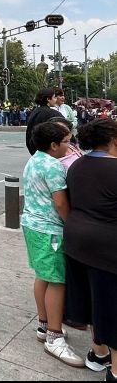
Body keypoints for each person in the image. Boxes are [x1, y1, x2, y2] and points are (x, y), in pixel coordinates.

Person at [21, 122, 84, 367]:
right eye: (67, 141)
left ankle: (44, 324)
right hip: (50, 230)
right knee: (57, 281)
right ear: (54, 145)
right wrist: (71, 224)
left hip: (32, 225)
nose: (70, 146)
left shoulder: (35, 159)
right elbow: (61, 203)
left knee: (43, 276)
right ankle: (54, 336)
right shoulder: (53, 167)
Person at [64, 119, 117, 377]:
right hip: (107, 248)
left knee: (95, 301)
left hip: (76, 242)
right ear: (113, 140)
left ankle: (99, 351)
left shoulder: (77, 165)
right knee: (112, 305)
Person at [26, 88, 66, 155]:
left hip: (34, 148)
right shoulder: (53, 113)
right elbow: (65, 128)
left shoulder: (34, 112)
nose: (56, 99)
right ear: (48, 99)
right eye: (54, 97)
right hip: (48, 150)